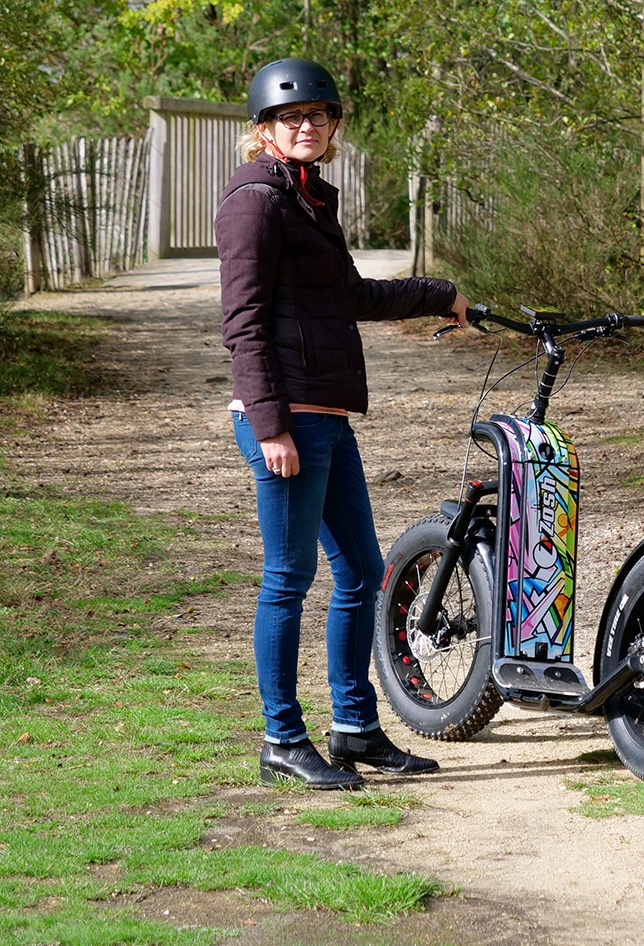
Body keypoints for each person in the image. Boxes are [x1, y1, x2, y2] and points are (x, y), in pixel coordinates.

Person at [218, 57, 470, 790]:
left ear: (332, 128)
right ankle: (281, 740)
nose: (306, 127)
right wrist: (269, 426)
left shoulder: (306, 199)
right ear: (264, 130)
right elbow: (242, 322)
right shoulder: (254, 203)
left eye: (318, 117)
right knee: (288, 579)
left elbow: (347, 295)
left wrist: (437, 293)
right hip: (286, 420)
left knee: (362, 571)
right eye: (290, 118)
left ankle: (356, 728)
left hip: (325, 415)